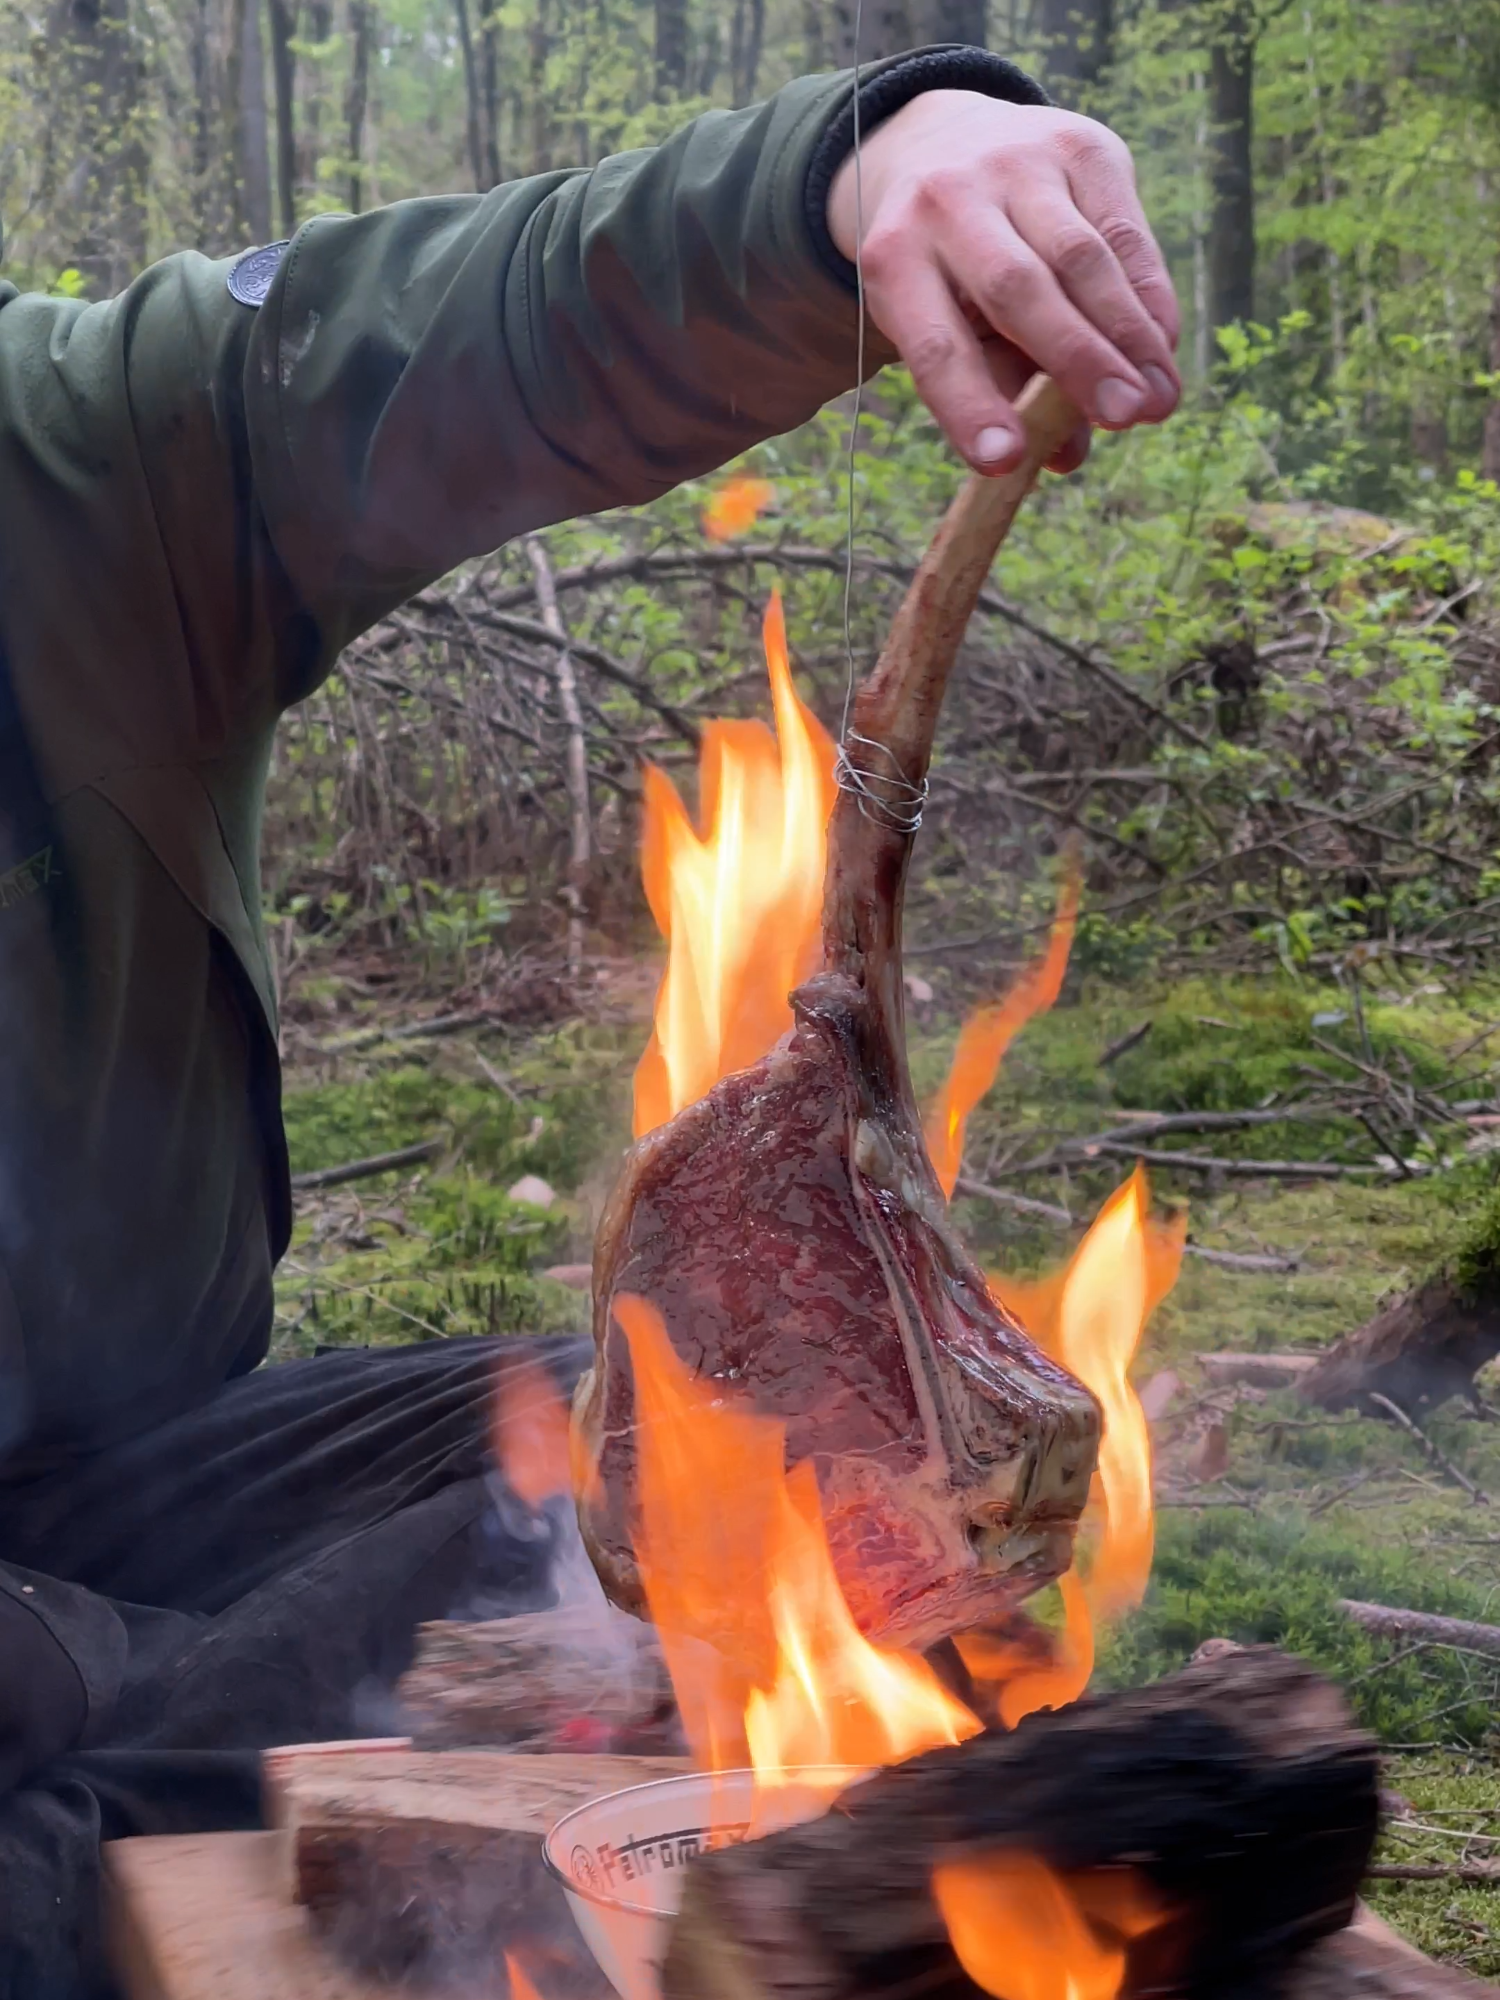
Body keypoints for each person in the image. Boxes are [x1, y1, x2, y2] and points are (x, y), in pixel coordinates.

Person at [0, 41, 1179, 1997]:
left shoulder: (75, 474)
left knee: (678, 1441)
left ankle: (167, 1744)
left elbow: (471, 324)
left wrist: (861, 171)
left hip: (130, 1463)